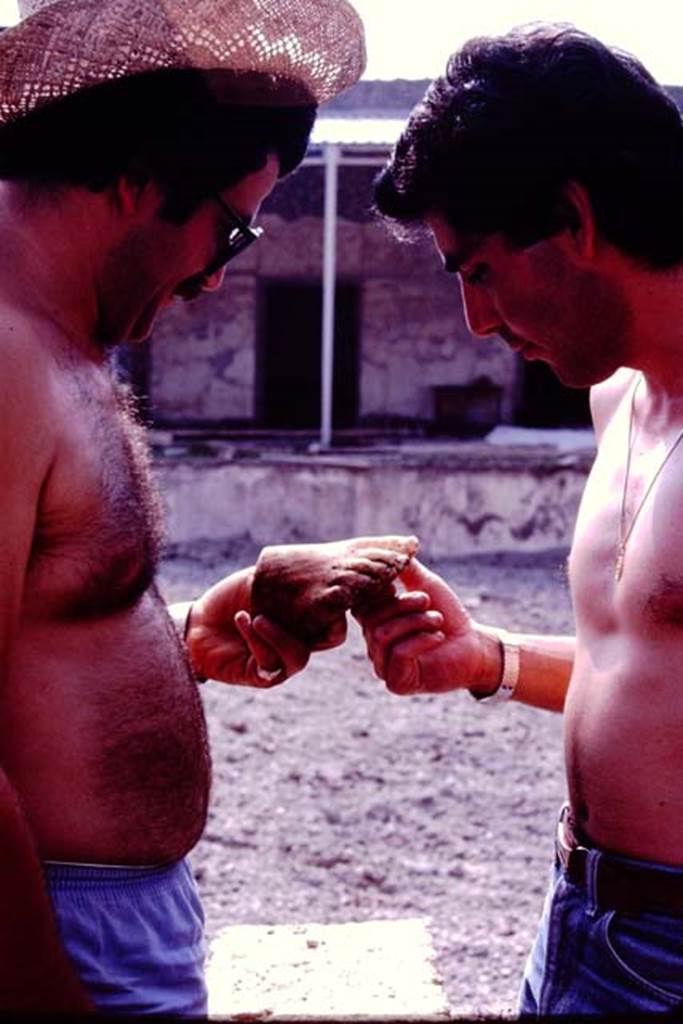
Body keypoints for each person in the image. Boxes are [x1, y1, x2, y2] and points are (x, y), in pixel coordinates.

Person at [0, 0, 365, 1013]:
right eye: (236, 226)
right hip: (56, 948)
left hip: (108, 932)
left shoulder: (59, 344)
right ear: (137, 182)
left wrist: (183, 642)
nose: (216, 275)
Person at [357, 22, 683, 1016]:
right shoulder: (616, 403)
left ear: (573, 219)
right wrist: (486, 657)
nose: (476, 322)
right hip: (579, 920)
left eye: (481, 269)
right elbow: (645, 676)